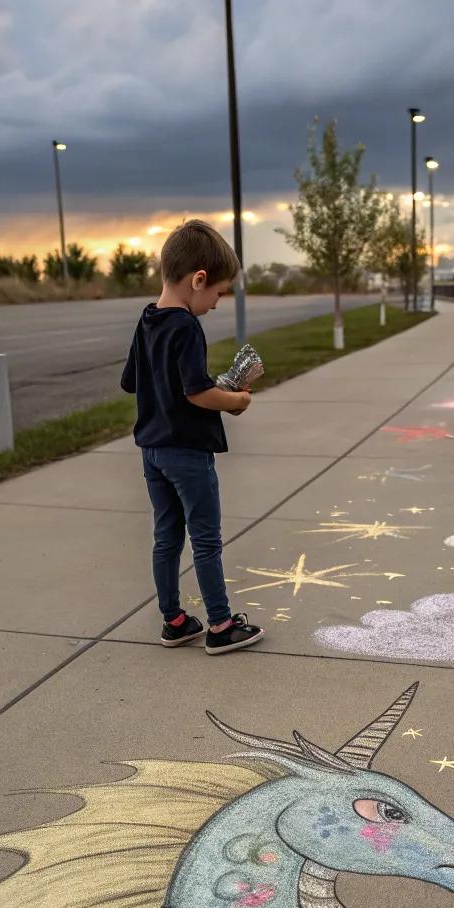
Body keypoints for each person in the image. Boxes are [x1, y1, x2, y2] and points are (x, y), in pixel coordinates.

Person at [121, 219, 264, 654]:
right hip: (186, 451)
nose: (217, 304)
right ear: (198, 279)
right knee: (205, 538)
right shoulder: (186, 327)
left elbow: (132, 382)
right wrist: (235, 400)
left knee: (166, 537)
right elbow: (198, 393)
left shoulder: (147, 320)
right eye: (218, 293)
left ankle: (175, 620)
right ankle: (220, 625)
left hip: (152, 451)